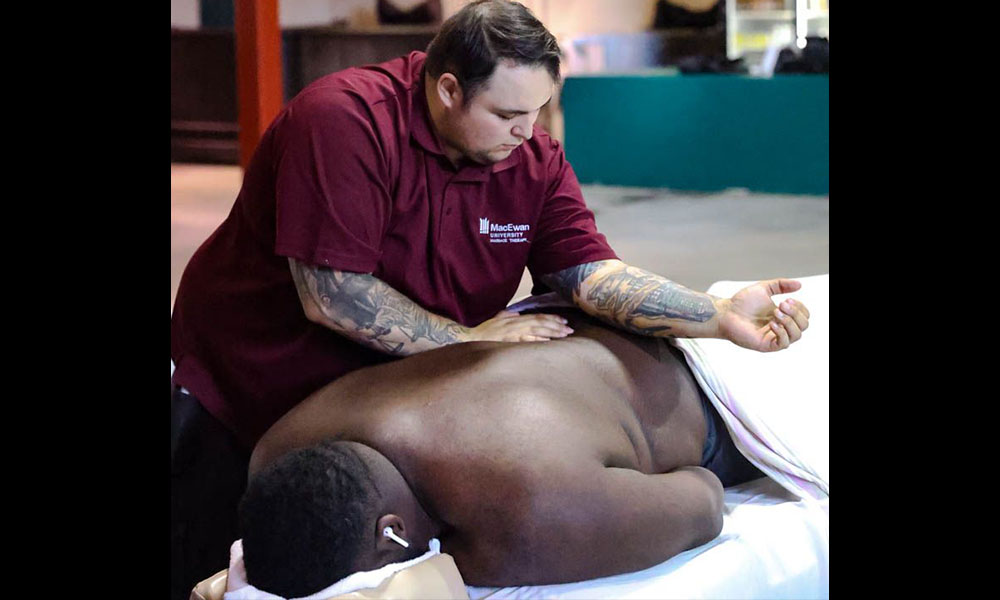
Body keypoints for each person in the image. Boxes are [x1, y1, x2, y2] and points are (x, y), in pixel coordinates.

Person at [170, 1, 810, 597]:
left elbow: (588, 274)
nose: (527, 132)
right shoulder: (345, 121)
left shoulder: (532, 158)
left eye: (539, 112)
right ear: (447, 90)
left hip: (372, 399)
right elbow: (335, 296)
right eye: (508, 116)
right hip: (243, 384)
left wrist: (717, 315)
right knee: (224, 557)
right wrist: (466, 338)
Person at [238, 305, 779, 597]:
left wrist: (478, 562)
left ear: (391, 532)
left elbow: (705, 501)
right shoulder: (277, 447)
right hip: (555, 321)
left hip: (702, 388)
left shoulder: (529, 515)